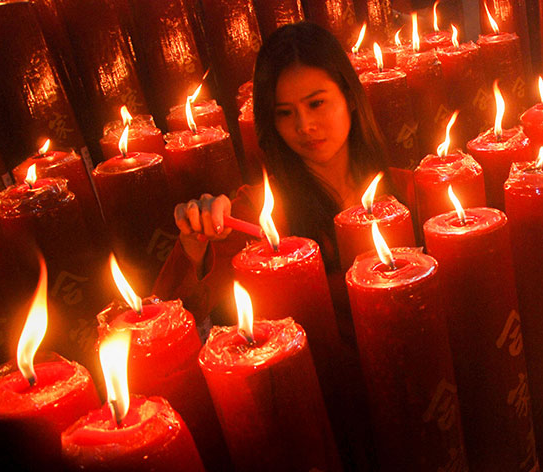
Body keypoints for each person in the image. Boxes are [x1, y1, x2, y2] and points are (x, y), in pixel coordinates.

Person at [154, 21, 393, 322]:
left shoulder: (406, 189)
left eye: (316, 103)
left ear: (350, 97)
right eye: (285, 112)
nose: (304, 125)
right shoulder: (256, 215)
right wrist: (195, 249)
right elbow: (172, 315)